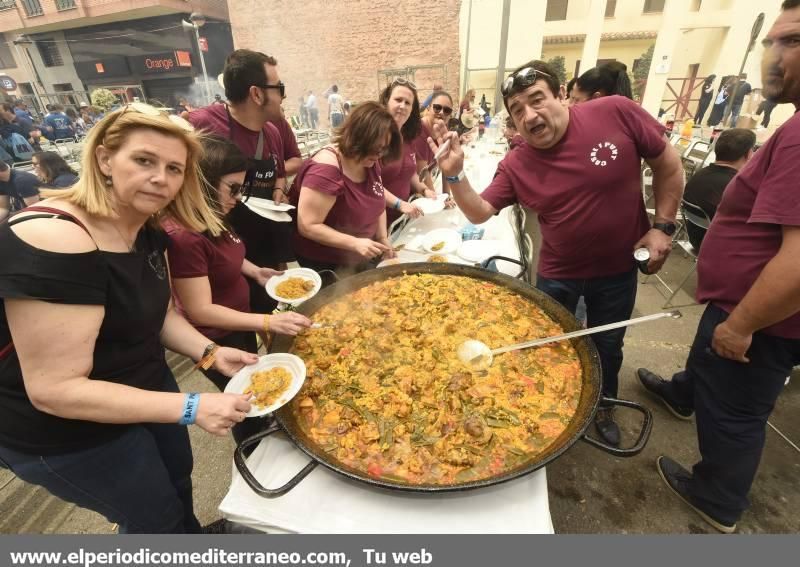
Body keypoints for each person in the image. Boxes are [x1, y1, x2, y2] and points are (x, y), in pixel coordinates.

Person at [0, 104, 257, 534]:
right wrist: (193, 405)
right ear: (104, 159)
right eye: (144, 160)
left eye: (174, 168)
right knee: (155, 519)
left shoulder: (146, 228)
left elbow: (158, 312)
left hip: (146, 389)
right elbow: (54, 390)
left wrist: (209, 352)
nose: (161, 178)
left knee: (176, 486)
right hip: (67, 432)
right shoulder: (54, 236)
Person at [428, 60, 684, 447]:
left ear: (561, 94)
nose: (530, 115)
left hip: (617, 270)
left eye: (537, 100)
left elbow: (668, 163)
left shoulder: (615, 111)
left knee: (608, 346)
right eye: (518, 110)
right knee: (548, 345)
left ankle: (603, 404)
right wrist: (453, 174)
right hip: (557, 273)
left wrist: (662, 226)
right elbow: (479, 211)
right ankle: (549, 410)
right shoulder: (516, 163)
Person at [636, 0, 800, 534]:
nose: (772, 56)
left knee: (735, 414)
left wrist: (742, 325)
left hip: (763, 319)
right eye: (771, 41)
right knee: (708, 365)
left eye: (791, 41)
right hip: (739, 301)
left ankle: (716, 498)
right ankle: (685, 393)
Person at [165, 136, 311, 443]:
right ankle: (253, 449)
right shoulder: (185, 237)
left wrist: (254, 271)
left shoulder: (214, 213)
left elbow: (226, 253)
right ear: (203, 182)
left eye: (242, 188)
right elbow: (199, 309)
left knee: (261, 389)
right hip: (212, 340)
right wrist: (268, 321)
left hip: (238, 322)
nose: (238, 197)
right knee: (245, 405)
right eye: (233, 188)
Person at [188, 49, 292, 314]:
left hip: (263, 240)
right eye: (278, 87)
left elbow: (279, 171)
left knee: (268, 309)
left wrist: (279, 187)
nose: (282, 95)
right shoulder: (201, 123)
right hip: (218, 245)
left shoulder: (272, 130)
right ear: (257, 94)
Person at [291, 101, 401, 274]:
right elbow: (307, 225)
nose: (380, 155)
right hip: (326, 263)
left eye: (384, 149)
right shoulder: (325, 171)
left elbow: (377, 198)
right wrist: (355, 243)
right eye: (376, 149)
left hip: (358, 254)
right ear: (358, 139)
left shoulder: (369, 161)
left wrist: (382, 237)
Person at [682, 128, 755, 250]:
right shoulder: (737, 186)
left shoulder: (698, 175)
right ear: (748, 154)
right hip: (717, 247)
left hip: (694, 239)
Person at [379, 80, 433, 223]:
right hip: (378, 224)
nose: (402, 106)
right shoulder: (376, 137)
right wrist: (399, 204)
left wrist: (424, 189)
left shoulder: (408, 138)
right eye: (398, 100)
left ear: (412, 110)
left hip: (402, 220)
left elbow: (409, 172)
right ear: (386, 102)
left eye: (407, 103)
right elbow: (369, 183)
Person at [413, 90, 455, 194]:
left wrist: (446, 195)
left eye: (447, 110)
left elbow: (446, 166)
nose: (441, 112)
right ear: (428, 107)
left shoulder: (443, 129)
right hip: (415, 191)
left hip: (427, 186)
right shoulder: (419, 130)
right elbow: (424, 173)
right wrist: (437, 199)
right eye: (437, 107)